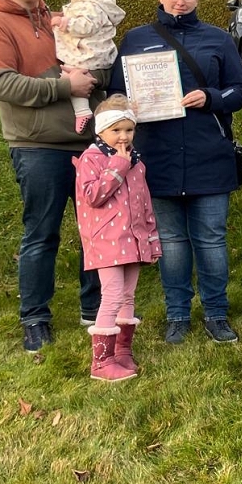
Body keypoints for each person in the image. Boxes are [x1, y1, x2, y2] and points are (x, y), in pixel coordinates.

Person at [108, 0, 242, 344]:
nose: (180, 1)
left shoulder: (218, 39)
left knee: (211, 240)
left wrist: (211, 97)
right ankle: (177, 315)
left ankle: (217, 313)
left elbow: (240, 90)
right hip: (158, 157)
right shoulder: (136, 39)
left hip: (209, 155)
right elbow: (116, 94)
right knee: (170, 242)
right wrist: (128, 107)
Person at [0, 0, 101, 352]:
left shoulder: (57, 19)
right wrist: (65, 87)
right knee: (42, 234)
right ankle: (35, 318)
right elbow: (1, 85)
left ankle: (94, 309)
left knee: (94, 232)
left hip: (87, 143)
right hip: (37, 146)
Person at [74, 95, 161, 381]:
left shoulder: (136, 162)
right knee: (111, 295)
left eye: (129, 130)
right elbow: (92, 196)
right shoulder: (92, 159)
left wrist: (151, 239)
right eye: (116, 130)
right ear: (101, 130)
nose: (123, 136)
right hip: (106, 242)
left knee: (127, 295)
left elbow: (144, 203)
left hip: (134, 240)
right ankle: (101, 362)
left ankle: (122, 351)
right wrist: (118, 167)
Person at [51, 0, 125, 134]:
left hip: (89, 54)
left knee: (72, 79)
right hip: (91, 52)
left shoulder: (92, 5)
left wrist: (65, 22)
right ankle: (93, 110)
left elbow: (87, 26)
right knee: (71, 78)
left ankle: (82, 111)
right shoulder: (84, 2)